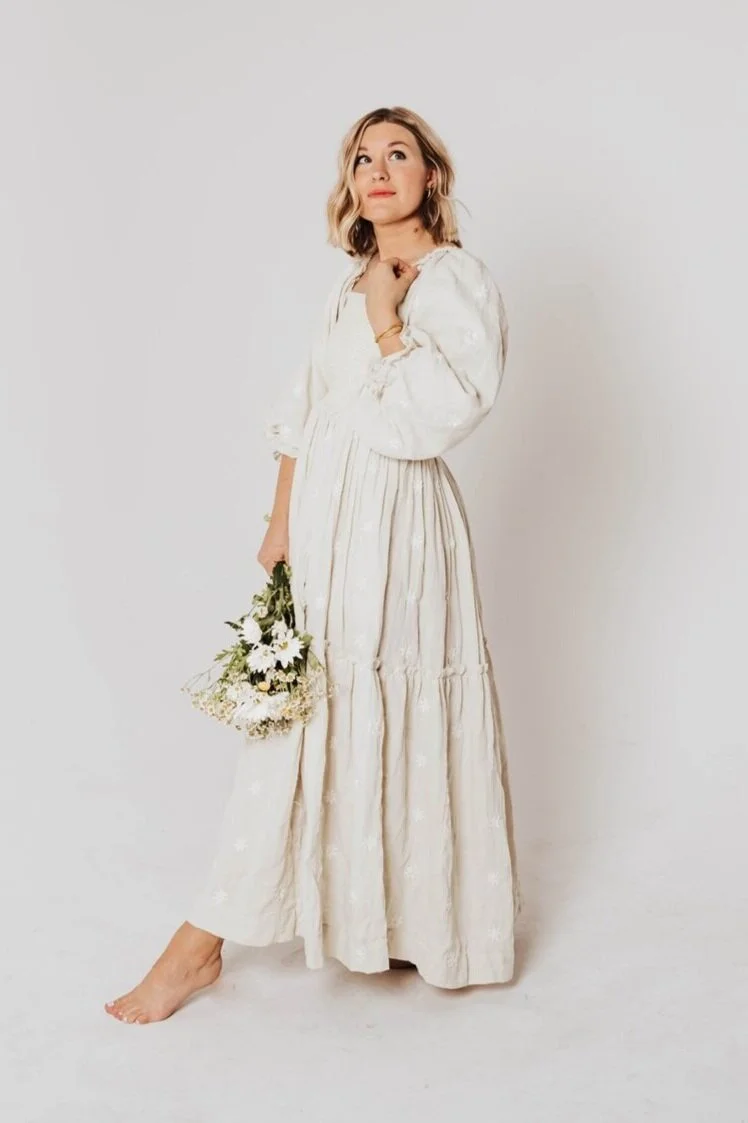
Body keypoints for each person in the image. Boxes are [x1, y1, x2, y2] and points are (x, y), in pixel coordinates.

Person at [105, 105, 522, 1025]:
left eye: (398, 154)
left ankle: (207, 941)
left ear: (430, 175)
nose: (378, 170)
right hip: (329, 520)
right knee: (310, 707)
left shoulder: (454, 280)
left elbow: (442, 412)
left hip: (400, 525)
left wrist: (387, 321)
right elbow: (308, 409)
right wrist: (281, 521)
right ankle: (321, 923)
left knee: (371, 702)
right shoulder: (346, 284)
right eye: (363, 157)